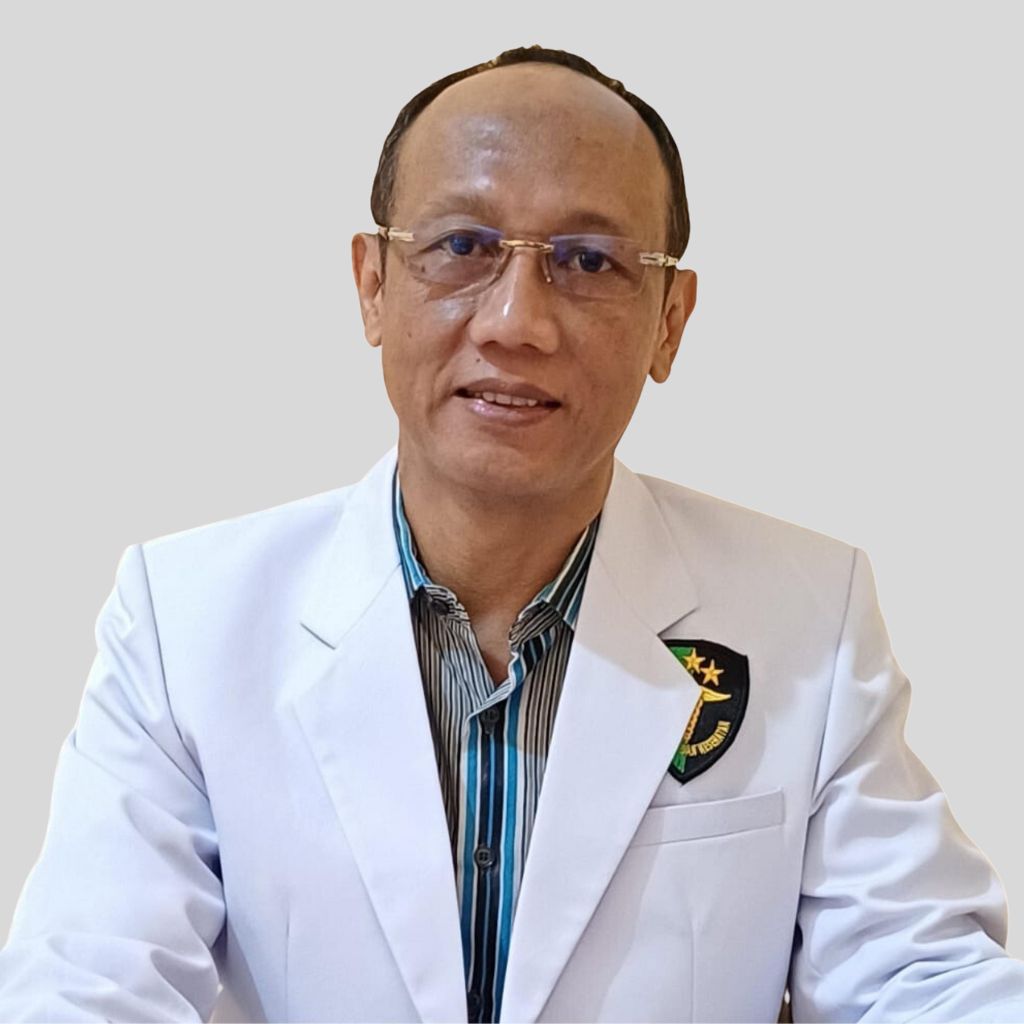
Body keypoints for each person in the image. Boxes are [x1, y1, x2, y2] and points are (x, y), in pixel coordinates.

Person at [1, 43, 1022, 1024]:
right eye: (462, 247)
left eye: (588, 260)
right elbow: (89, 981)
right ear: (372, 285)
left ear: (670, 320)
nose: (515, 322)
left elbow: (918, 974)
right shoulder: (185, 622)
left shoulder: (808, 617)